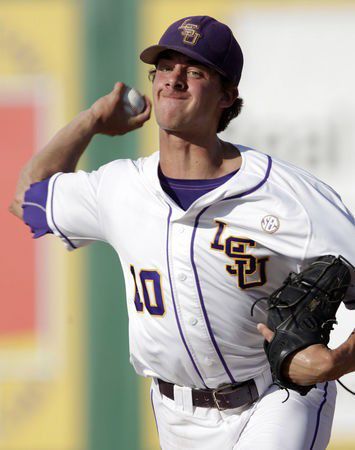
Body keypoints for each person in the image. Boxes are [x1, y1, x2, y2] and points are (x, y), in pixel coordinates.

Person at [10, 15, 355, 450]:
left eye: (194, 71)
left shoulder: (290, 197)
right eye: (165, 67)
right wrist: (92, 121)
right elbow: (27, 200)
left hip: (276, 397)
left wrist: (337, 362)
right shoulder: (120, 188)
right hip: (174, 412)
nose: (174, 80)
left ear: (228, 96)